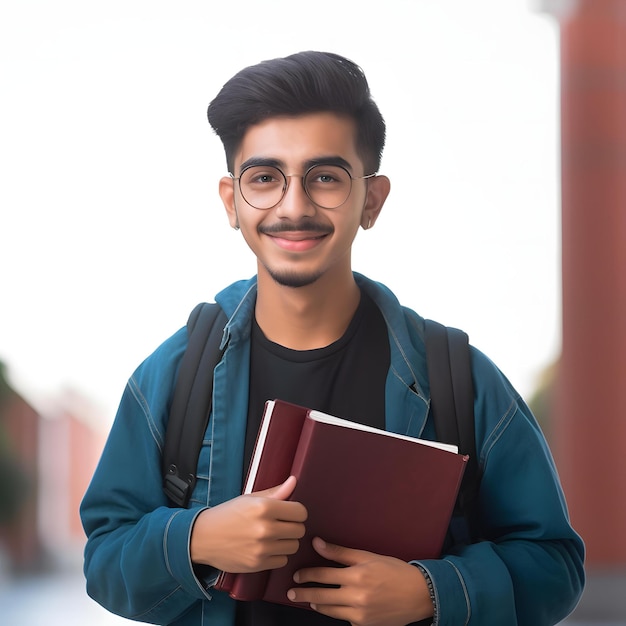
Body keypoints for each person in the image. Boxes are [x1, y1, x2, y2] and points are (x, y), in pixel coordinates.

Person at [80, 51, 585, 626]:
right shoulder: (173, 375)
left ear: (371, 199)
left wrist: (432, 591)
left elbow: (555, 565)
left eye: (324, 178)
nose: (294, 208)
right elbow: (104, 558)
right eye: (265, 178)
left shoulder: (459, 379)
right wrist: (193, 541)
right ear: (232, 201)